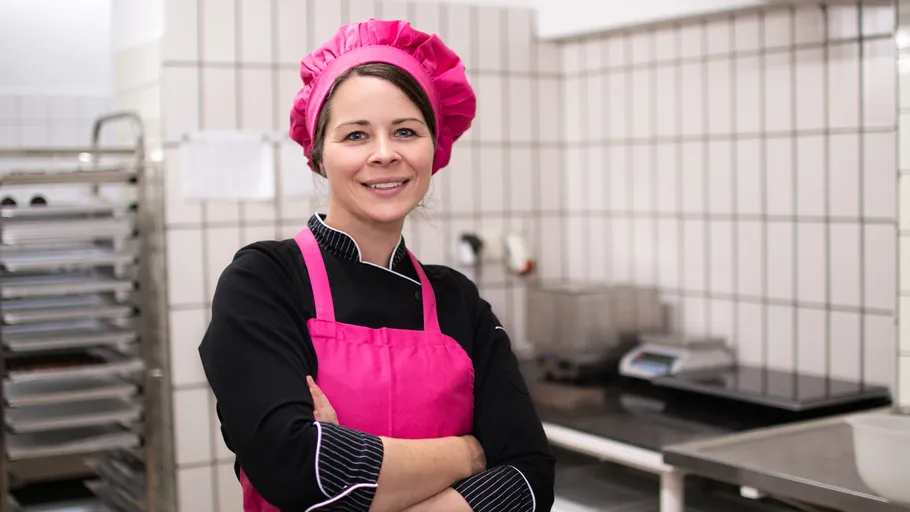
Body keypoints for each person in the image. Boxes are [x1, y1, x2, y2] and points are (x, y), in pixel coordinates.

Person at [199, 18, 555, 512]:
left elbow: (530, 481)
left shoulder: (459, 302)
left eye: (406, 131)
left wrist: (352, 460)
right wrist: (472, 452)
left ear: (435, 148)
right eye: (356, 135)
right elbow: (297, 469)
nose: (385, 154)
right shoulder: (263, 282)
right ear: (319, 154)